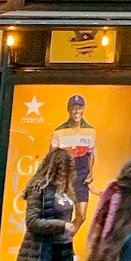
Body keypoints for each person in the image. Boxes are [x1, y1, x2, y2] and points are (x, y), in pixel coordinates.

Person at [52, 96, 97, 233]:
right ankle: (64, 248)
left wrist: (91, 173)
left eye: (79, 108)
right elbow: (52, 156)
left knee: (81, 215)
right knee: (64, 215)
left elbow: (91, 153)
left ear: (83, 110)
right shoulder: (59, 131)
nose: (76, 111)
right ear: (68, 110)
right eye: (73, 108)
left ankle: (64, 240)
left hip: (82, 175)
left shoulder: (90, 130)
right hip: (65, 174)